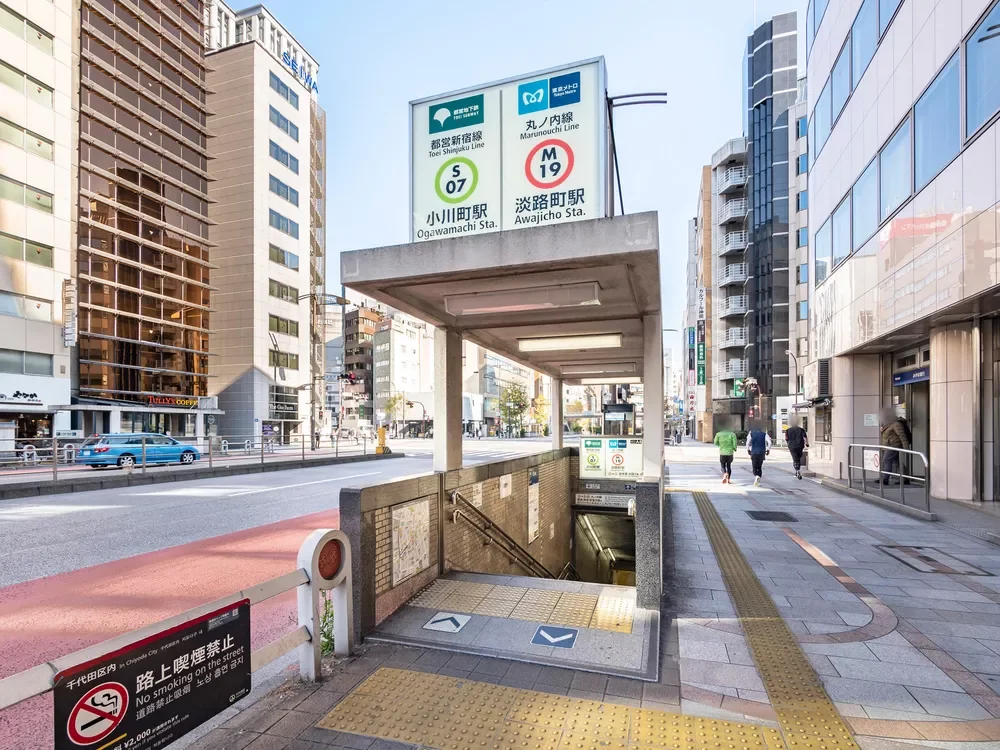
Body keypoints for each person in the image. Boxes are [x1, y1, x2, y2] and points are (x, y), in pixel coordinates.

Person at [880, 407, 910, 485]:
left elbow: (902, 436)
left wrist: (906, 448)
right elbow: (888, 435)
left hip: (894, 446)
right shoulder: (889, 423)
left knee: (886, 460)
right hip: (889, 446)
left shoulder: (896, 424)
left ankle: (885, 479)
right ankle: (905, 478)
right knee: (898, 463)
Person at [746, 422, 772, 487]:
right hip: (762, 452)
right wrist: (768, 449)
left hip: (754, 452)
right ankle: (758, 479)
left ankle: (756, 476)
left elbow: (747, 443)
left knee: (754, 467)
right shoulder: (764, 434)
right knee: (759, 467)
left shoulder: (751, 434)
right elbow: (769, 442)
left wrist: (748, 449)